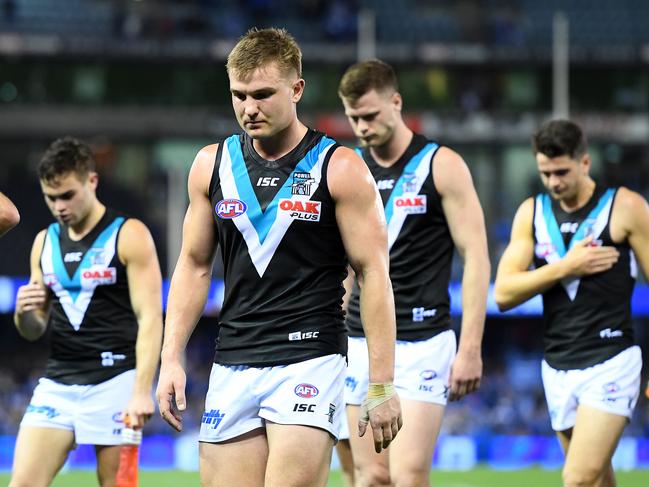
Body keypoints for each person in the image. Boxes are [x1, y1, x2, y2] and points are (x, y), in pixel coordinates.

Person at [155, 28, 402, 487]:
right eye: (239, 95)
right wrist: (170, 358)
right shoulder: (212, 164)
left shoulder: (342, 168)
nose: (249, 108)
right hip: (233, 359)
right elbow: (193, 266)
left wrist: (381, 383)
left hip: (310, 357)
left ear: (297, 88)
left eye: (263, 94)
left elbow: (373, 274)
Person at [338, 59, 490, 486]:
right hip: (359, 340)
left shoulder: (442, 165)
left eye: (370, 115)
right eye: (354, 118)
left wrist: (471, 347)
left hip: (423, 340)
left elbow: (476, 256)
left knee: (406, 476)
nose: (363, 127)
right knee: (369, 477)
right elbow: (344, 266)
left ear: (396, 102)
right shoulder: (349, 172)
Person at [494, 119, 649, 487]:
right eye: (545, 173)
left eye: (562, 171)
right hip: (558, 365)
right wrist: (566, 266)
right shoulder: (531, 214)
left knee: (578, 478)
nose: (554, 182)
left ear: (585, 162)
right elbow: (503, 293)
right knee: (597, 480)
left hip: (612, 360)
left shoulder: (624, 207)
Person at [10, 137, 163, 487]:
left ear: (91, 181)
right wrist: (24, 314)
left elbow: (151, 317)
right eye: (51, 197)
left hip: (116, 380)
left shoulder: (129, 235)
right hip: (58, 382)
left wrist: (142, 390)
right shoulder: (44, 243)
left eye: (67, 195)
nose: (59, 206)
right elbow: (34, 329)